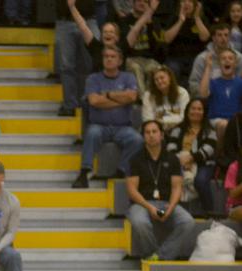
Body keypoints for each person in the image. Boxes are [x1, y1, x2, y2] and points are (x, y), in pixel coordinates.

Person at [73, 45, 143, 188]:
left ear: (120, 61)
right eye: (106, 56)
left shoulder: (128, 77)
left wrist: (109, 95)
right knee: (91, 133)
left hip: (123, 127)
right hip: (99, 126)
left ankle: (121, 170)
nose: (109, 59)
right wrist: (120, 101)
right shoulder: (93, 78)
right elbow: (94, 101)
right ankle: (84, 172)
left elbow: (132, 97)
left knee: (138, 140)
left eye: (113, 57)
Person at [126, 120, 195, 260]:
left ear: (162, 135)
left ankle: (161, 255)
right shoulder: (135, 159)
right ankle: (151, 253)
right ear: (143, 136)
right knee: (140, 222)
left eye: (154, 131)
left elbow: (177, 187)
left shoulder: (172, 159)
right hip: (141, 204)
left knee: (188, 222)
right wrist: (149, 207)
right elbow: (132, 190)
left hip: (166, 202)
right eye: (147, 132)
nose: (151, 135)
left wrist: (170, 207)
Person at [166, 98, 218, 212]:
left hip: (204, 163)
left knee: (200, 181)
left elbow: (209, 149)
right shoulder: (178, 128)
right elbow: (170, 147)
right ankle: (170, 212)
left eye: (199, 109)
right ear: (187, 111)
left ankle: (210, 214)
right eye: (193, 108)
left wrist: (191, 159)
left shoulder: (210, 130)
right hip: (179, 161)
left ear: (204, 112)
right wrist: (180, 160)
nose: (196, 112)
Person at [58, 0, 98, 116]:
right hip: (64, 20)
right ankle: (69, 105)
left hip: (89, 18)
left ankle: (88, 102)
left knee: (91, 62)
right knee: (66, 66)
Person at [162, 0, 210, 85]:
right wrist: (180, 21)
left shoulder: (201, 19)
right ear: (180, 4)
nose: (186, 3)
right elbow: (167, 39)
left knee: (201, 66)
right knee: (173, 68)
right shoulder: (174, 18)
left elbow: (205, 37)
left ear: (195, 5)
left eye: (190, 1)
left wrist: (197, 18)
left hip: (195, 57)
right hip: (175, 57)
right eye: (184, 1)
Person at [188, 23, 242, 97]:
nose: (223, 38)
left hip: (232, 96)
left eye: (226, 35)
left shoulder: (239, 58)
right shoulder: (202, 58)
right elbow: (193, 84)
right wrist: (210, 94)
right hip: (207, 98)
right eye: (219, 35)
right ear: (213, 38)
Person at [200, 49, 242, 142]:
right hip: (217, 119)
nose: (227, 60)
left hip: (236, 120)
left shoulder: (240, 82)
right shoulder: (213, 82)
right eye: (223, 58)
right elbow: (203, 94)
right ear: (219, 64)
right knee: (223, 124)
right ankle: (221, 155)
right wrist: (208, 67)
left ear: (235, 63)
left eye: (230, 58)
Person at [123, 0, 163, 95]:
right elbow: (125, 45)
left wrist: (150, 25)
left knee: (155, 69)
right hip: (131, 58)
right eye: (139, 0)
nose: (142, 3)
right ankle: (143, 100)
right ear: (133, 3)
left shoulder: (154, 21)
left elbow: (157, 48)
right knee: (136, 68)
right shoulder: (125, 21)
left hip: (149, 59)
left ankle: (153, 100)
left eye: (145, 1)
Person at [141, 66, 190, 131]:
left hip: (179, 129)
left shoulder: (182, 93)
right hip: (157, 131)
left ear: (170, 78)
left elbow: (184, 118)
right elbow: (148, 120)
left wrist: (162, 120)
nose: (159, 81)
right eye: (156, 80)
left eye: (162, 78)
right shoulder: (148, 96)